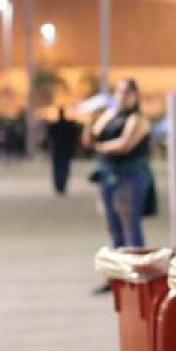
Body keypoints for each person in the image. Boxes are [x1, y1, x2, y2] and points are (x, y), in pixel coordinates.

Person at [90, 79, 152, 256]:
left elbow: (125, 144)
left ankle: (137, 268)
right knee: (112, 224)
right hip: (109, 173)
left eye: (127, 93)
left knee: (130, 223)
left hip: (130, 174)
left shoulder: (137, 118)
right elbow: (92, 136)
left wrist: (101, 147)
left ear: (135, 95)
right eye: (119, 92)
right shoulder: (110, 115)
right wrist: (94, 118)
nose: (123, 97)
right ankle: (117, 272)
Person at [45, 107, 81, 196]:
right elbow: (74, 136)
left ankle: (58, 186)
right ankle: (62, 186)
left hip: (57, 149)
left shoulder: (55, 125)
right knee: (64, 168)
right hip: (65, 149)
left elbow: (49, 137)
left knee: (57, 168)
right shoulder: (69, 125)